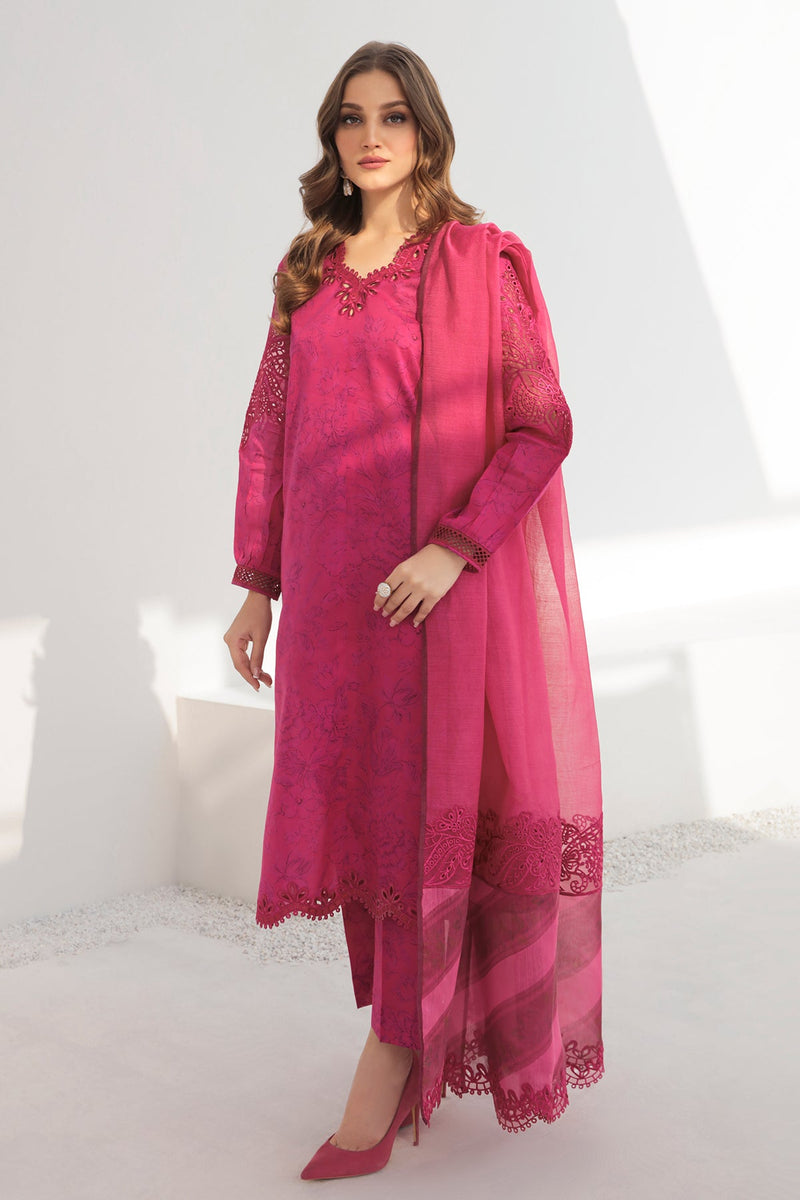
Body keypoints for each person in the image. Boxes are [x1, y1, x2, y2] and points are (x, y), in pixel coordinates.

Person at [223, 40, 604, 1182]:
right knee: (365, 831)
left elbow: (540, 424)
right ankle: (411, 1034)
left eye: (392, 114)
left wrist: (454, 548)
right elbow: (268, 433)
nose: (370, 135)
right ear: (331, 136)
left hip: (426, 606)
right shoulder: (306, 266)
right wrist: (256, 586)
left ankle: (388, 1067)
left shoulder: (478, 263)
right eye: (351, 117)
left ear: (427, 128)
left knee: (417, 825)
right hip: (330, 609)